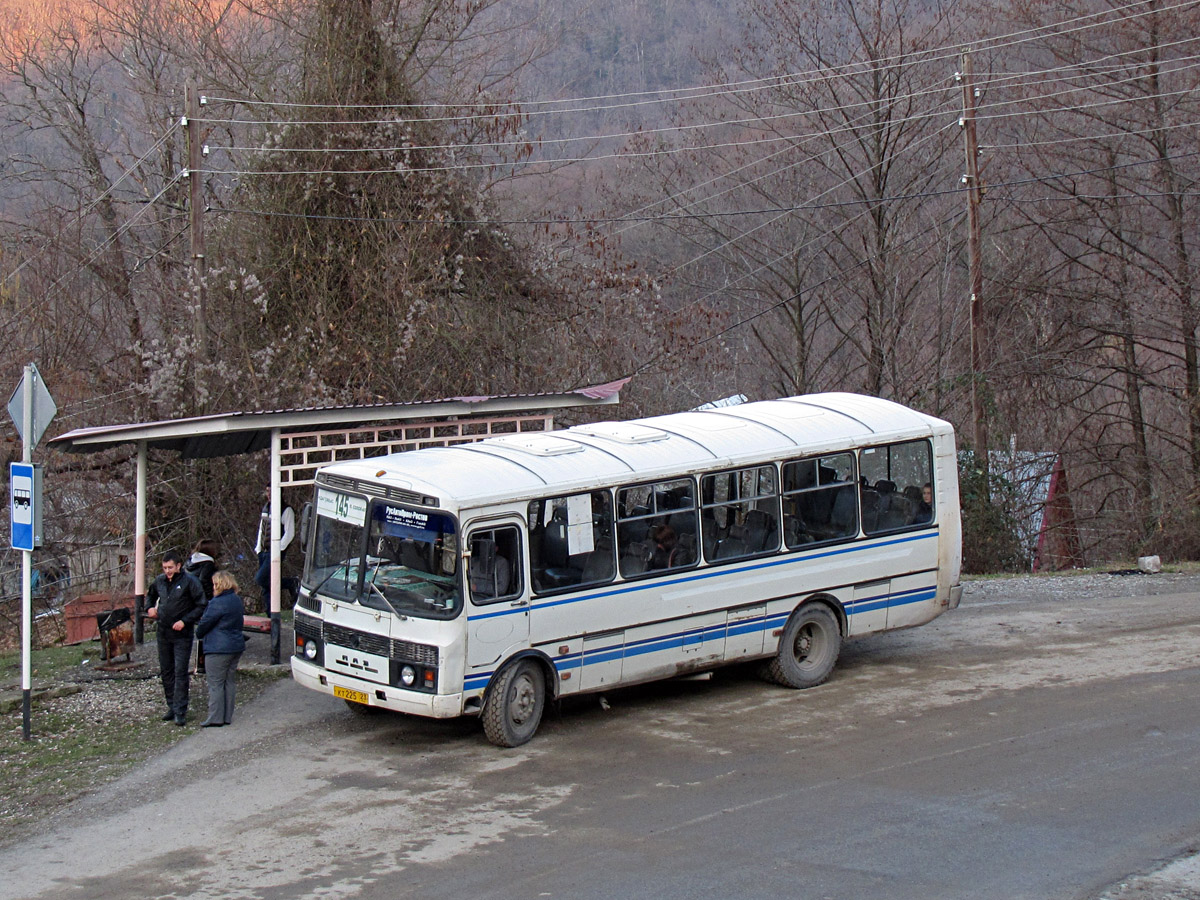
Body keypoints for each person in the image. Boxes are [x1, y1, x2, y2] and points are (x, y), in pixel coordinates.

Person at [145, 550, 207, 725]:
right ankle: (171, 705)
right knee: (166, 670)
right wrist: (150, 608)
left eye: (170, 567)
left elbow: (201, 604)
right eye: (165, 567)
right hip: (163, 631)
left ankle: (181, 710)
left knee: (180, 671)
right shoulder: (159, 581)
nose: (167, 571)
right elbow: (150, 596)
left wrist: (185, 621)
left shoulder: (190, 582)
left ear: (178, 566)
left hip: (182, 633)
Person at [195, 570, 246, 728]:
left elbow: (204, 624)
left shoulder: (217, 603)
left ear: (219, 584)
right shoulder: (236, 600)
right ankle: (227, 716)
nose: (213, 587)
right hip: (235, 645)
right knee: (229, 681)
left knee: (215, 683)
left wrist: (199, 632)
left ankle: (215, 717)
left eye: (214, 584)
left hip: (218, 647)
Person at [254, 496, 299, 614]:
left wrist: (278, 549)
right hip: (263, 550)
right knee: (266, 584)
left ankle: (291, 582)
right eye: (267, 491)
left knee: (261, 579)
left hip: (275, 551)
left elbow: (290, 533)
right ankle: (270, 613)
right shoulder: (266, 508)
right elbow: (262, 529)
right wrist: (258, 548)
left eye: (271, 491)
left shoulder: (286, 510)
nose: (268, 494)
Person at [186, 540, 219, 674]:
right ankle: (203, 662)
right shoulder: (208, 564)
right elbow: (205, 581)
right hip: (202, 601)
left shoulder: (189, 562)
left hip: (188, 600)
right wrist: (211, 599)